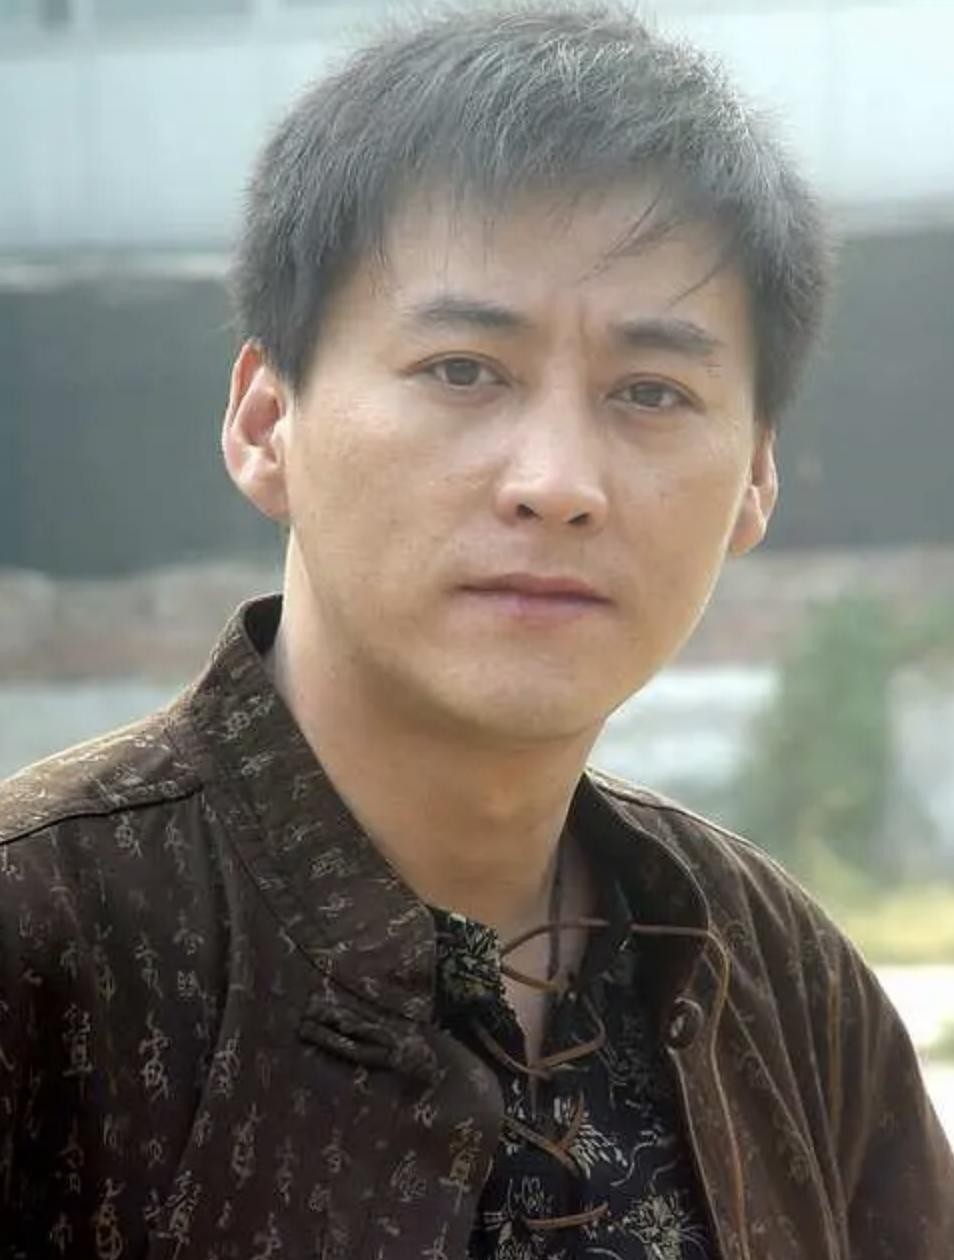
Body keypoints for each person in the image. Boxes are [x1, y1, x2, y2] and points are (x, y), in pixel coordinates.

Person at [1, 4, 951, 1257]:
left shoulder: (787, 992)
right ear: (266, 419)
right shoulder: (45, 942)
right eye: (462, 369)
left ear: (756, 479)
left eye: (652, 391)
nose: (558, 482)